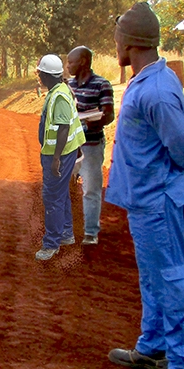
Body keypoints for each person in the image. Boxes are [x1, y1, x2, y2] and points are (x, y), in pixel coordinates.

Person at [105, 1, 184, 369]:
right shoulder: (147, 81)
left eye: (117, 41)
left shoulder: (159, 91)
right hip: (145, 203)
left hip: (162, 203)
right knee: (152, 278)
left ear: (128, 44)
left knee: (174, 278)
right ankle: (153, 348)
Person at [35, 54, 86, 261]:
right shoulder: (59, 91)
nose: (38, 76)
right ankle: (65, 233)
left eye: (40, 73)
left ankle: (51, 244)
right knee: (60, 193)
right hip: (63, 153)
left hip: (60, 155)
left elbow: (64, 127)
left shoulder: (59, 96)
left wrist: (56, 159)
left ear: (47, 75)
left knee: (52, 197)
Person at [66, 46, 115, 245]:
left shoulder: (102, 85)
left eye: (71, 62)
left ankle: (90, 233)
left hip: (91, 145)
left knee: (91, 189)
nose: (68, 66)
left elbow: (109, 114)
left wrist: (97, 120)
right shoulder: (68, 85)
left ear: (83, 62)